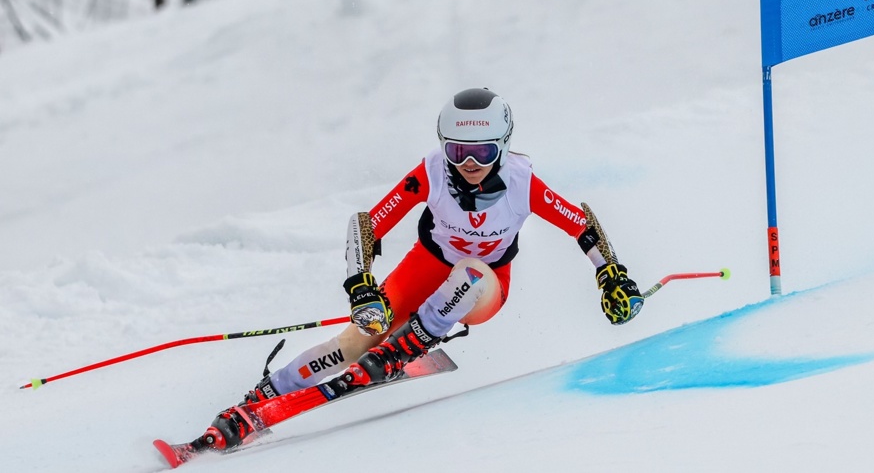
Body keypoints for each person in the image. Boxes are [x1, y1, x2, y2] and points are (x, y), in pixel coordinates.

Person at [207, 88, 643, 448]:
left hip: (484, 286)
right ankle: (264, 397)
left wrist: (612, 276)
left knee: (470, 269)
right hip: (425, 267)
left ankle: (409, 343)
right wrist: (362, 287)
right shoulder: (432, 172)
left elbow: (580, 224)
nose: (468, 164)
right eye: (457, 151)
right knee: (359, 338)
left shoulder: (522, 183)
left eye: (482, 152)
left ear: (504, 146)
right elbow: (369, 225)